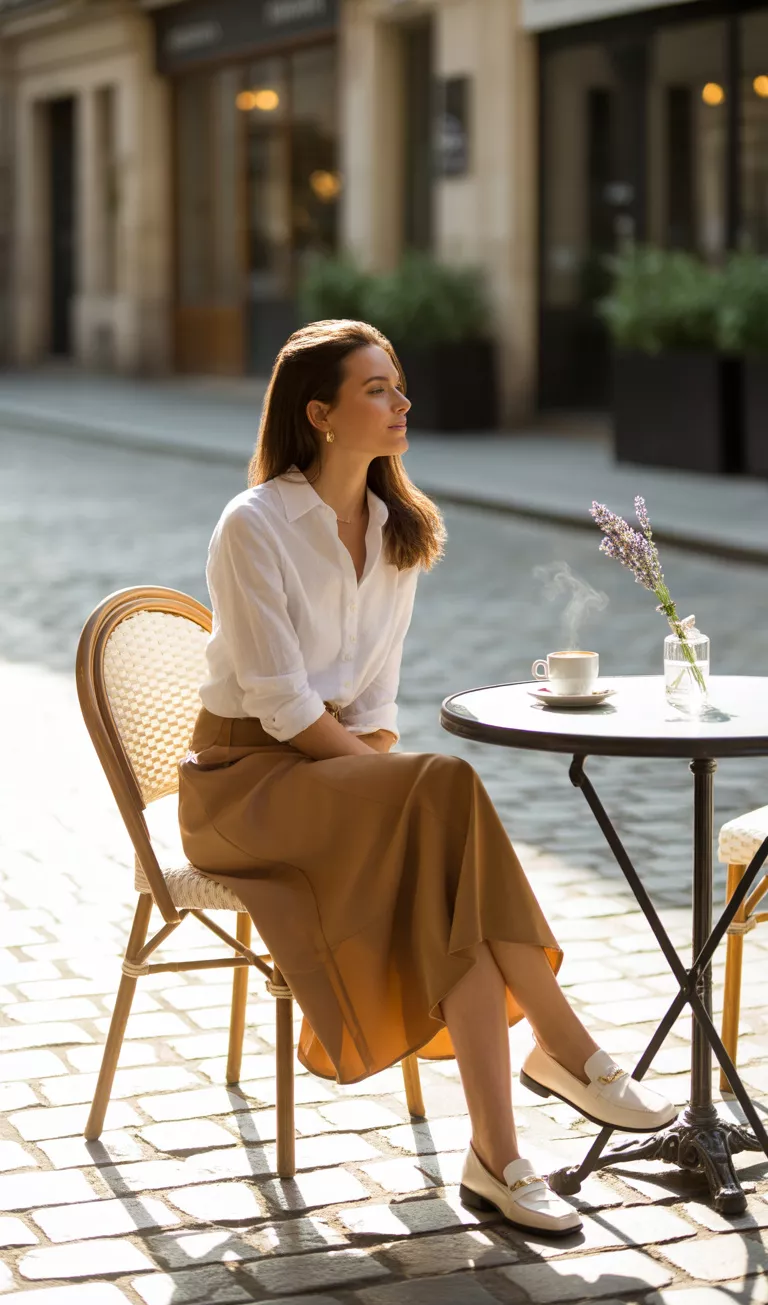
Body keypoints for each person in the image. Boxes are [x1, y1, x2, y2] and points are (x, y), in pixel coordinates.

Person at [178, 318, 675, 1237]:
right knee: (437, 789)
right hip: (244, 788)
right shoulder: (253, 526)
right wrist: (390, 786)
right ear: (320, 415)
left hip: (335, 778)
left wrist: (382, 781)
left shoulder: (397, 529)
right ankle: (564, 1049)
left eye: (399, 384)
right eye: (378, 389)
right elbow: (284, 708)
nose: (402, 401)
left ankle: (498, 1156)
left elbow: (376, 701)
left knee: (448, 864)